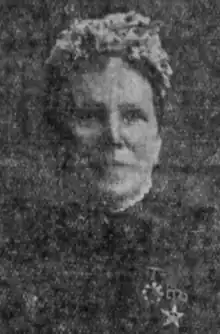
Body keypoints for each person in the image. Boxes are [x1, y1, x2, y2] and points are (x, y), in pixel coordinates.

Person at [43, 10, 190, 333]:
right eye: (90, 116)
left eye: (133, 116)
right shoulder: (24, 253)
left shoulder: (205, 248)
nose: (112, 135)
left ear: (158, 137)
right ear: (63, 136)